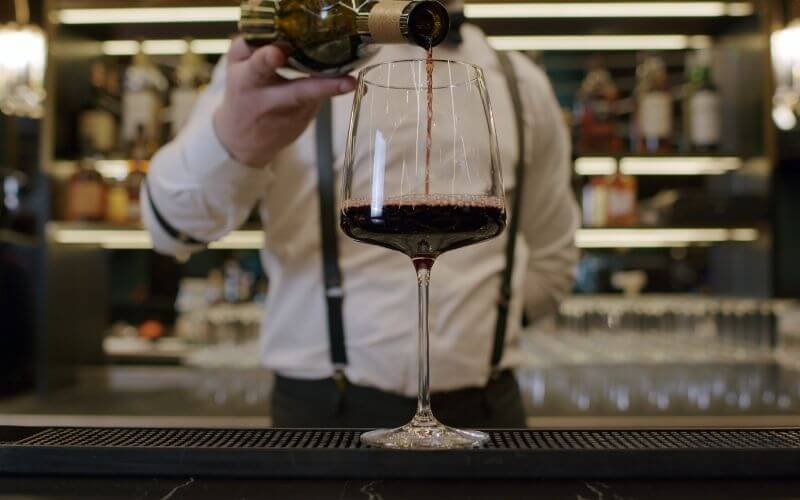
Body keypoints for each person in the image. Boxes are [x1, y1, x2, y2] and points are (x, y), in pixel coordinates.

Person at [142, 12, 579, 428]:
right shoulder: (287, 65)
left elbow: (553, 257)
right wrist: (233, 140)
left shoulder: (522, 83)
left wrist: (487, 325)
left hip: (486, 410)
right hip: (320, 413)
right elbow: (169, 226)